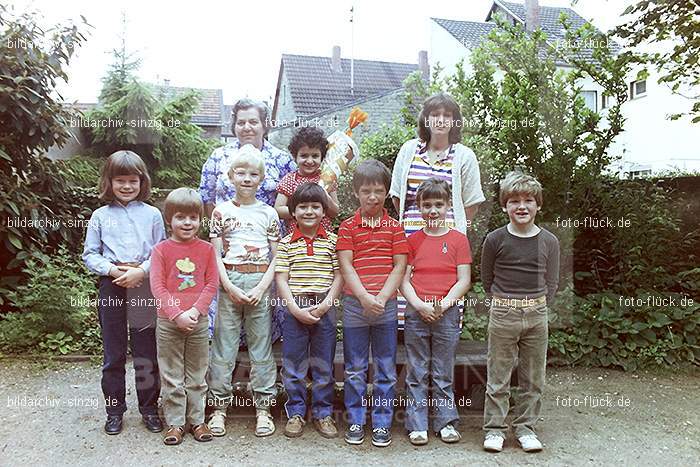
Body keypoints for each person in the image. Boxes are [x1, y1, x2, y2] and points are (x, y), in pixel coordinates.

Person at [82, 150, 165, 435]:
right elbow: (90, 254)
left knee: (146, 352)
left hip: (143, 284)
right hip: (113, 284)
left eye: (133, 180)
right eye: (120, 181)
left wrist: (141, 271)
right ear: (109, 181)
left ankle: (149, 409)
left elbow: (161, 252)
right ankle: (114, 410)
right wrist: (113, 270)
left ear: (143, 182)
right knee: (113, 353)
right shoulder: (100, 216)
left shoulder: (153, 214)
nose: (127, 186)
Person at [199, 98, 296, 342]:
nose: (247, 127)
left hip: (267, 246)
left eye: (253, 121)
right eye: (241, 122)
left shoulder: (282, 159)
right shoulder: (218, 156)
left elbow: (294, 202)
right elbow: (207, 199)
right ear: (234, 126)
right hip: (228, 246)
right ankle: (225, 365)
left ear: (265, 125)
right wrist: (221, 234)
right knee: (228, 305)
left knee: (263, 305)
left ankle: (265, 363)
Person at [480, 171, 560, 453]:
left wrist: (539, 304)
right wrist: (503, 302)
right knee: (498, 375)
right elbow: (486, 277)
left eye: (528, 200)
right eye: (514, 201)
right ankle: (494, 430)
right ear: (505, 206)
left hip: (537, 315)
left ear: (538, 205)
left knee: (533, 377)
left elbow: (552, 280)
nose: (521, 206)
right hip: (503, 314)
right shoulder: (494, 239)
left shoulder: (549, 240)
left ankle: (526, 428)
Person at [390, 92, 485, 328]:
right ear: (426, 119)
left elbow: (471, 204)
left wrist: (451, 230)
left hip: (447, 241)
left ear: (454, 120)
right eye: (435, 114)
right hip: (410, 237)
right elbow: (397, 197)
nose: (441, 120)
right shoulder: (409, 150)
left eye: (447, 115)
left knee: (444, 307)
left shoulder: (464, 156)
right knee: (408, 307)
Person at [206, 144, 280, 438]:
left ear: (261, 178)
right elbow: (215, 255)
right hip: (230, 282)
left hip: (259, 283)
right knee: (224, 346)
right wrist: (228, 285)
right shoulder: (221, 212)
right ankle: (219, 409)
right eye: (241, 173)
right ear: (230, 176)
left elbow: (277, 256)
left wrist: (263, 287)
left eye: (253, 174)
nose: (246, 179)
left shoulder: (269, 213)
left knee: (261, 348)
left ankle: (264, 409)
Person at [336, 159, 409, 447]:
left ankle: (381, 423)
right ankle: (355, 420)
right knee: (354, 367)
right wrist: (365, 297)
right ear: (356, 192)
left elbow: (399, 267)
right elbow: (346, 266)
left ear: (386, 191)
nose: (372, 197)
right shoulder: (347, 227)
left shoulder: (395, 228)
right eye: (366, 190)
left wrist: (380, 298)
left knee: (385, 367)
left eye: (378, 191)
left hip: (386, 307)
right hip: (355, 306)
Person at [399, 179, 472, 446]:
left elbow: (464, 279)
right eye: (427, 205)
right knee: (417, 370)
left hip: (448, 313)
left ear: (448, 206)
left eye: (438, 205)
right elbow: (403, 279)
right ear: (418, 207)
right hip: (417, 311)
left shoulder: (458, 240)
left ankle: (446, 422)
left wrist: (444, 304)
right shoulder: (412, 240)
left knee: (442, 370)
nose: (433, 210)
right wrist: (419, 304)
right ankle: (416, 424)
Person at [149, 188, 219, 445]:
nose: (187, 223)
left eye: (193, 217)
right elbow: (158, 287)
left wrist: (194, 311)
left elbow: (211, 284)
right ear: (169, 219)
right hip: (168, 322)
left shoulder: (207, 249)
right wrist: (177, 314)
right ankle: (175, 424)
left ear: (200, 219)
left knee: (198, 374)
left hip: (198, 321)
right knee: (171, 374)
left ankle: (198, 421)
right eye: (180, 217)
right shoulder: (160, 250)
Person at [276, 183, 343, 439]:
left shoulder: (333, 242)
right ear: (293, 212)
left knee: (323, 365)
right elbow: (281, 278)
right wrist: (294, 308)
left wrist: (326, 304)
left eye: (315, 206)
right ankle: (295, 412)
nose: (309, 211)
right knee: (293, 365)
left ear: (324, 211)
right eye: (302, 206)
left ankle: (323, 413)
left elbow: (340, 276)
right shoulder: (285, 244)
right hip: (294, 309)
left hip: (324, 307)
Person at [274, 127, 339, 233]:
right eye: (304, 156)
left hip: (323, 238)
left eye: (315, 156)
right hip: (297, 238)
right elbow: (278, 209)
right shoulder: (290, 180)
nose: (309, 161)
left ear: (322, 157)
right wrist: (299, 210)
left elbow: (335, 212)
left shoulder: (327, 178)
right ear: (295, 157)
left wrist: (325, 197)